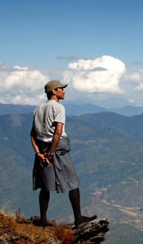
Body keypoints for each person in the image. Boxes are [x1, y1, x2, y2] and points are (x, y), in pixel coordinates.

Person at [30, 80, 97, 226]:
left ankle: (42, 220)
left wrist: (39, 153)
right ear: (54, 91)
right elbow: (58, 132)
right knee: (72, 182)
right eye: (61, 89)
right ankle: (78, 218)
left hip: (42, 148)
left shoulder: (38, 109)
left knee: (45, 186)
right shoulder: (58, 108)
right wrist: (51, 152)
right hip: (57, 149)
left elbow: (32, 135)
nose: (64, 91)